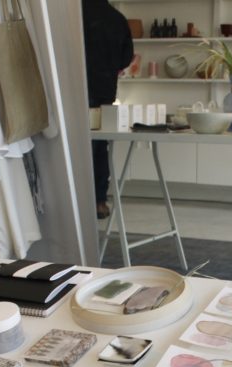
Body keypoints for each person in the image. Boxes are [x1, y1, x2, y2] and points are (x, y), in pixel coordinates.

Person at [82, 0, 134, 219]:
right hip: (104, 91)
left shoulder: (73, 18)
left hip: (74, 90)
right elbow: (126, 58)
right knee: (99, 145)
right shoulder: (117, 19)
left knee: (75, 146)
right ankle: (99, 202)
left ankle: (76, 201)